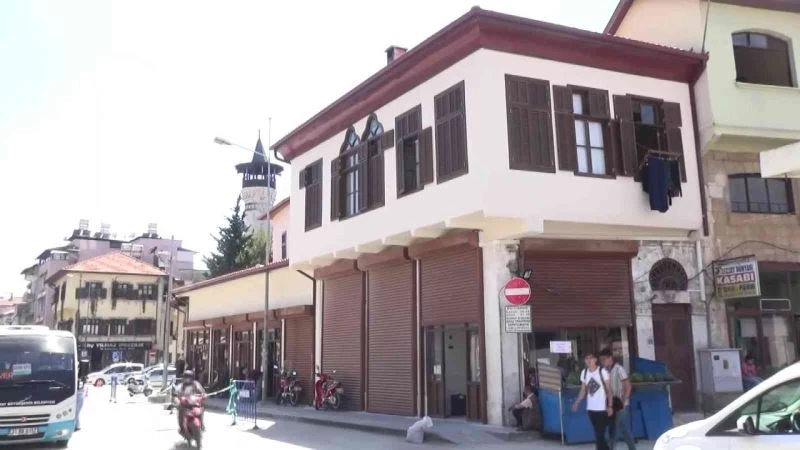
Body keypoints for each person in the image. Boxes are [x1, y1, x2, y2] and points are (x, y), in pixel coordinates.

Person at [572, 352, 613, 450]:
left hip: (602, 409)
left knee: (600, 435)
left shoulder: (602, 372)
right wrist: (577, 402)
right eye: (586, 358)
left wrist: (610, 406)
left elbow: (609, 390)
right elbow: (583, 390)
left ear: (595, 359)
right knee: (598, 434)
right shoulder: (584, 373)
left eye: (591, 358)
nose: (589, 360)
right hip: (591, 409)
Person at [600, 349, 635, 450]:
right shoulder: (604, 371)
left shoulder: (619, 369)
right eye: (601, 360)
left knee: (613, 428)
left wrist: (624, 402)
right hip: (611, 403)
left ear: (610, 358)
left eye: (604, 359)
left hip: (620, 404)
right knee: (623, 429)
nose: (602, 362)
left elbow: (628, 386)